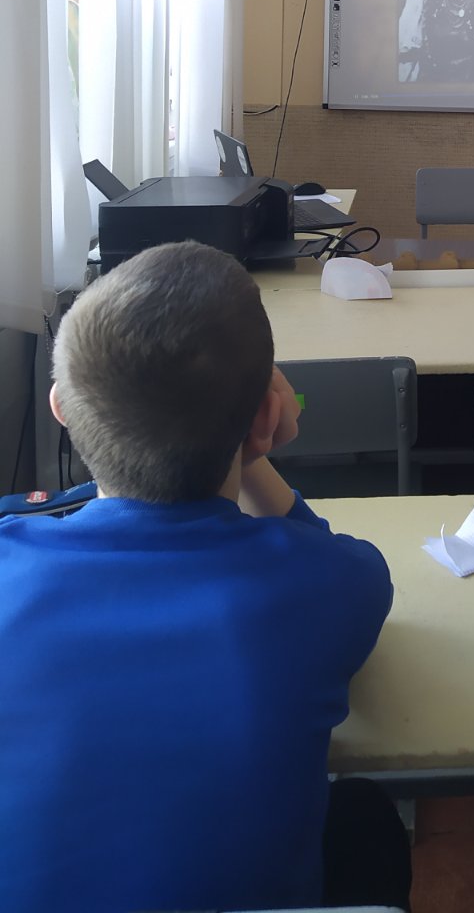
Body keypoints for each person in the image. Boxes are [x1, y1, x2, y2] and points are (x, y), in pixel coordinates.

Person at [0, 241, 411, 913]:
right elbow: (327, 558)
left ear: (62, 409)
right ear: (264, 421)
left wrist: (248, 433)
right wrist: (252, 450)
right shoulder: (329, 583)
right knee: (364, 815)